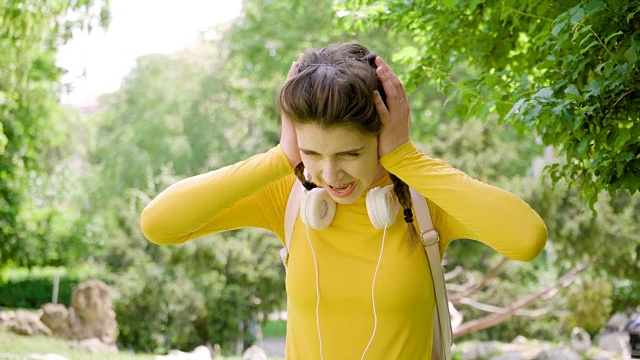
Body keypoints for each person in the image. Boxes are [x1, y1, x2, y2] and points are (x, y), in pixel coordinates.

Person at [140, 43, 548, 360]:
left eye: (350, 154)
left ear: (382, 135)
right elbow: (159, 224)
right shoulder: (292, 195)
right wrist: (279, 159)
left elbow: (526, 238)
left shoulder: (426, 200)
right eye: (313, 154)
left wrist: (405, 158)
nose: (330, 176)